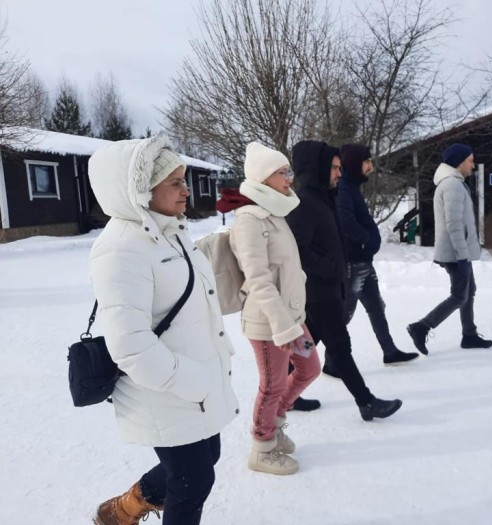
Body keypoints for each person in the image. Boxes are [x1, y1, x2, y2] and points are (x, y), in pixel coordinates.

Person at [88, 136, 239, 525]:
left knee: (208, 459)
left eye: (183, 179)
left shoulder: (170, 231)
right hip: (165, 389)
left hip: (194, 382)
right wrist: (194, 381)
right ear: (140, 189)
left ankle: (130, 503)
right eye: (174, 182)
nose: (185, 189)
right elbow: (131, 345)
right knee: (193, 479)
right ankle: (126, 508)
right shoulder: (121, 249)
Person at [286, 139, 402, 421]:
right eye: (334, 167)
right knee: (340, 347)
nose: (339, 173)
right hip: (318, 290)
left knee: (306, 346)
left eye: (340, 167)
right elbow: (297, 251)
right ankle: (366, 402)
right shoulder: (304, 203)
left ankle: (286, 395)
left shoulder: (324, 198)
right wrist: (329, 268)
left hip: (328, 288)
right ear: (318, 168)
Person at [226, 142, 321, 475]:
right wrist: (282, 325)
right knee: (273, 384)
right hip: (269, 324)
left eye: (288, 171)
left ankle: (275, 423)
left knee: (310, 368)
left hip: (292, 318)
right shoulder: (249, 219)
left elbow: (287, 266)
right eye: (282, 172)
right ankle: (261, 446)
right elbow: (258, 279)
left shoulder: (275, 212)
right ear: (263, 177)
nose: (289, 178)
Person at [334, 143, 418, 366]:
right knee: (344, 313)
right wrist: (366, 240)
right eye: (367, 161)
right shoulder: (343, 189)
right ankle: (331, 361)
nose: (371, 166)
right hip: (354, 262)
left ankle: (389, 351)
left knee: (376, 307)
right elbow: (346, 224)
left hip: (364, 262)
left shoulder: (351, 187)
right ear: (354, 163)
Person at [407, 143, 492, 355]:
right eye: (470, 161)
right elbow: (453, 224)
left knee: (468, 292)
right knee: (459, 296)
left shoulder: (454, 183)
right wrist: (463, 257)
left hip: (458, 252)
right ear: (459, 161)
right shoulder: (452, 185)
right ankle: (421, 327)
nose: (473, 165)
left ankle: (469, 335)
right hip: (456, 254)